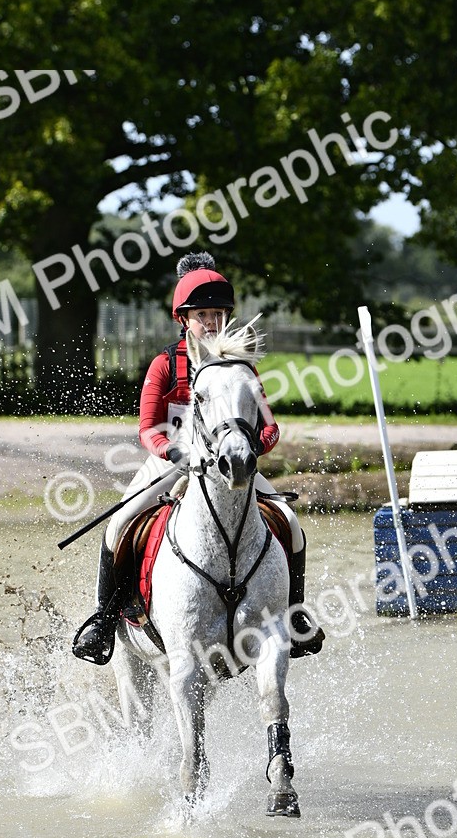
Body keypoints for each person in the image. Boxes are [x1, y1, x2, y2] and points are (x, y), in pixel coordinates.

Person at [72, 251, 325, 664]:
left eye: (219, 314)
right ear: (184, 319)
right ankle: (103, 621)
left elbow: (269, 426)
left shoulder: (242, 368)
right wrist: (172, 450)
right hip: (170, 462)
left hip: (230, 465)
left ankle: (295, 616)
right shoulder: (165, 365)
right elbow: (147, 428)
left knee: (291, 523)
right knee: (118, 525)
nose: (211, 322)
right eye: (203, 314)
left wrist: (250, 448)